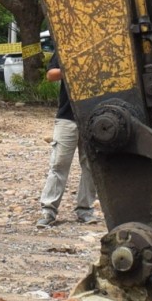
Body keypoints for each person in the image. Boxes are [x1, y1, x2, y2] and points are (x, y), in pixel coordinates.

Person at [39, 34, 93, 224]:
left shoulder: (99, 51)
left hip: (93, 118)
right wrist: (72, 68)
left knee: (91, 166)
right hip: (67, 117)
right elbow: (51, 74)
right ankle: (48, 211)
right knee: (59, 164)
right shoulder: (65, 49)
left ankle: (85, 210)